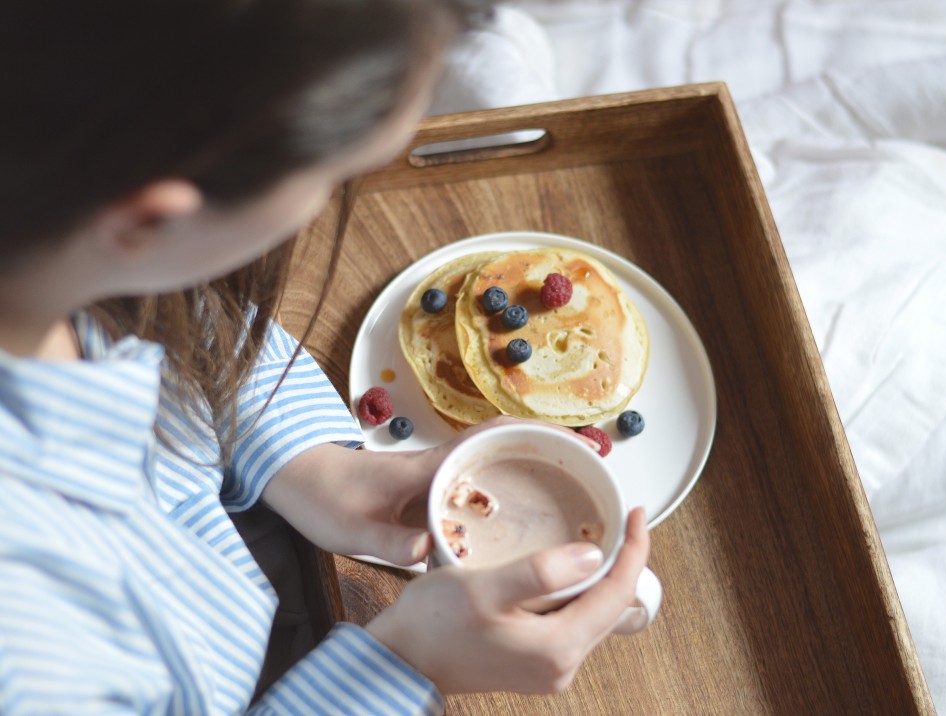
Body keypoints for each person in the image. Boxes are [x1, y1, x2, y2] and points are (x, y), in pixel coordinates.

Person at [0, 1, 651, 713]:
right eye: (332, 179)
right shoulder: (36, 656)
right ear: (150, 217)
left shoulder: (47, 237)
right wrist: (404, 667)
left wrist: (309, 464)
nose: (320, 210)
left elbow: (164, 315)